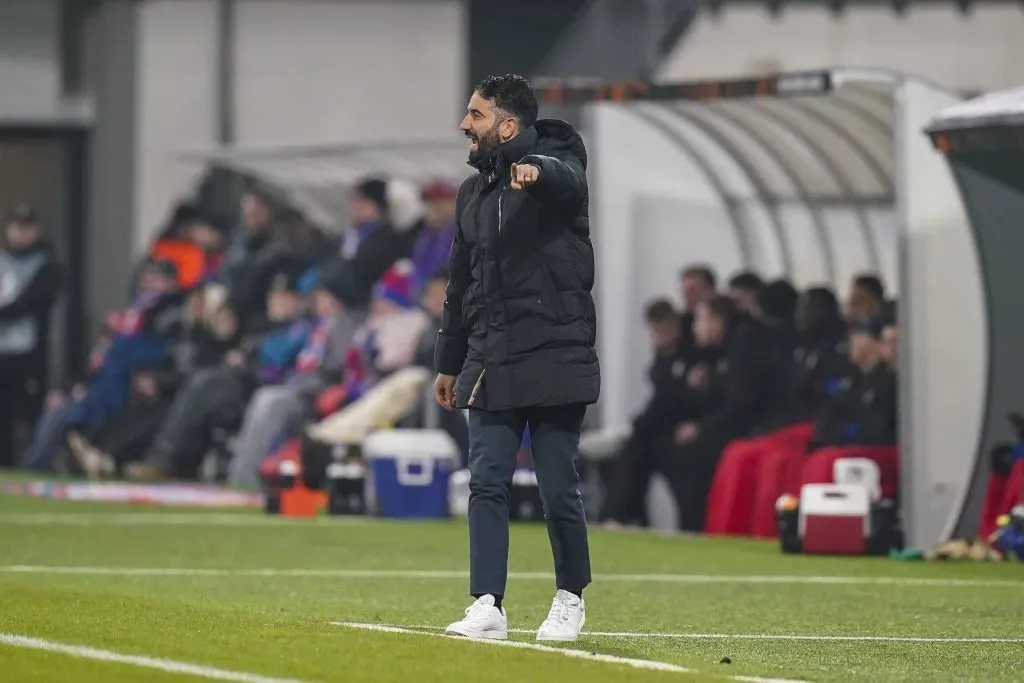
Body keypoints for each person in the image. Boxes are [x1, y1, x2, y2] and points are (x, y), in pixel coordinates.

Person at [434, 73, 599, 642]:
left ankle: (570, 597)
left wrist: (536, 171)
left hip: (554, 353)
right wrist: (449, 360)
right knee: (486, 483)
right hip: (492, 357)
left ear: (507, 126)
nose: (464, 125)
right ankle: (487, 603)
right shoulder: (471, 195)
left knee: (557, 485)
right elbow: (461, 285)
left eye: (475, 116)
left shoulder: (559, 170)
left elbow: (565, 180)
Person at [0, 204, 62, 467]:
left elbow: (31, 301)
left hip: (28, 353)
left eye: (26, 228)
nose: (20, 233)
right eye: (16, 226)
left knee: (30, 412)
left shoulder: (47, 265)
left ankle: (35, 463)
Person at [677, 265, 716, 357]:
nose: (687, 296)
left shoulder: (727, 323)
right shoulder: (680, 325)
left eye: (693, 290)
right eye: (684, 291)